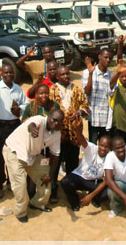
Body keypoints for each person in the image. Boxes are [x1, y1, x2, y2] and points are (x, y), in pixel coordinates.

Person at [3, 109, 64, 223]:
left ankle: (37, 203)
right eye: (54, 120)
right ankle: (21, 212)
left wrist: (50, 176)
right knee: (20, 185)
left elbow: (55, 156)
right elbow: (31, 124)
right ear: (48, 116)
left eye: (59, 122)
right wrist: (33, 130)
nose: (56, 124)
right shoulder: (38, 120)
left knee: (45, 178)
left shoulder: (56, 133)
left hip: (32, 155)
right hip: (14, 152)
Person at [0, 62, 28, 199]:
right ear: (2, 74)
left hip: (14, 125)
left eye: (11, 72)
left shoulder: (17, 88)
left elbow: (25, 103)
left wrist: (19, 109)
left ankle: (11, 181)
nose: (9, 75)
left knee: (14, 156)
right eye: (6, 73)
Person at [49, 66, 89, 202]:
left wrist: (78, 112)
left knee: (72, 164)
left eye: (68, 73)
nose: (66, 76)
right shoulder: (52, 90)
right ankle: (53, 191)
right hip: (57, 135)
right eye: (63, 74)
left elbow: (85, 107)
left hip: (73, 134)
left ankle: (71, 192)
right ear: (57, 77)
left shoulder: (76, 89)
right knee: (55, 164)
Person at [60, 118, 111, 211]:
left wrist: (90, 196)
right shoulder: (92, 148)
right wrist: (77, 130)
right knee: (65, 182)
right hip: (80, 177)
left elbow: (106, 181)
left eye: (107, 147)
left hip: (93, 182)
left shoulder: (110, 159)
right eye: (102, 145)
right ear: (98, 144)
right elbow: (82, 140)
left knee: (109, 191)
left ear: (110, 148)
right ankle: (74, 202)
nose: (103, 148)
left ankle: (96, 199)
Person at [83, 48, 113, 144]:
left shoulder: (111, 76)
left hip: (106, 118)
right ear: (99, 57)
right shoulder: (87, 72)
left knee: (105, 146)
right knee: (92, 145)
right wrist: (91, 74)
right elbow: (87, 92)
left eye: (110, 58)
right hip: (93, 117)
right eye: (105, 57)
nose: (108, 60)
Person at [109, 59, 126, 143]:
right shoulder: (116, 88)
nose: (124, 78)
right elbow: (111, 84)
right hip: (116, 127)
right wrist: (117, 73)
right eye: (122, 76)